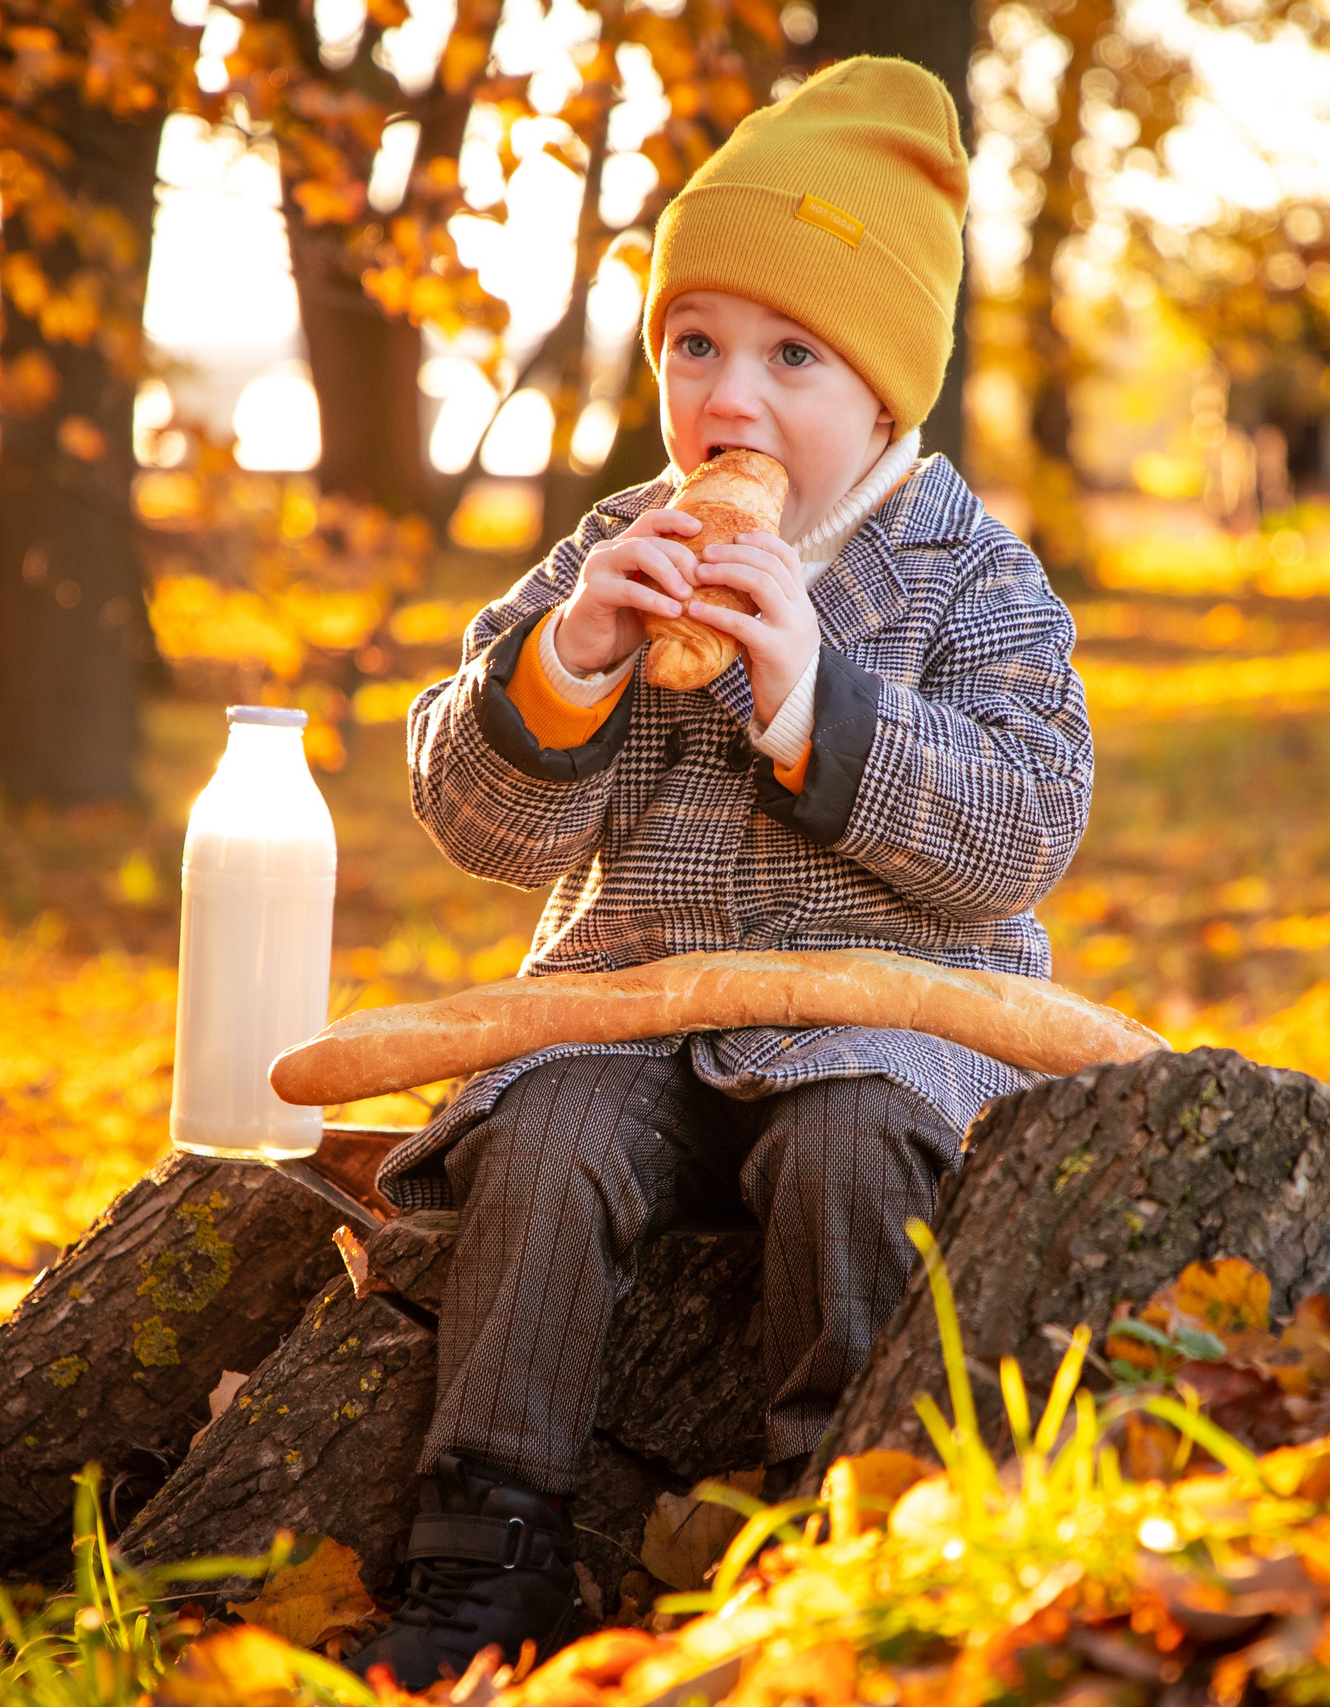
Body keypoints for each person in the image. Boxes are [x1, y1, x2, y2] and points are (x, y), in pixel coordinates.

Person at [348, 59, 1094, 1688]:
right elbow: (477, 820)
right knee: (542, 1139)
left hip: (875, 1022)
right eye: (697, 343)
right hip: (627, 1014)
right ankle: (486, 1530)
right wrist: (563, 670)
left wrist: (822, 703)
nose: (729, 398)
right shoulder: (618, 546)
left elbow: (1029, 816)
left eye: (793, 355)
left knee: (854, 1148)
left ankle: (844, 1521)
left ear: (889, 394)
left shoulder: (973, 577)